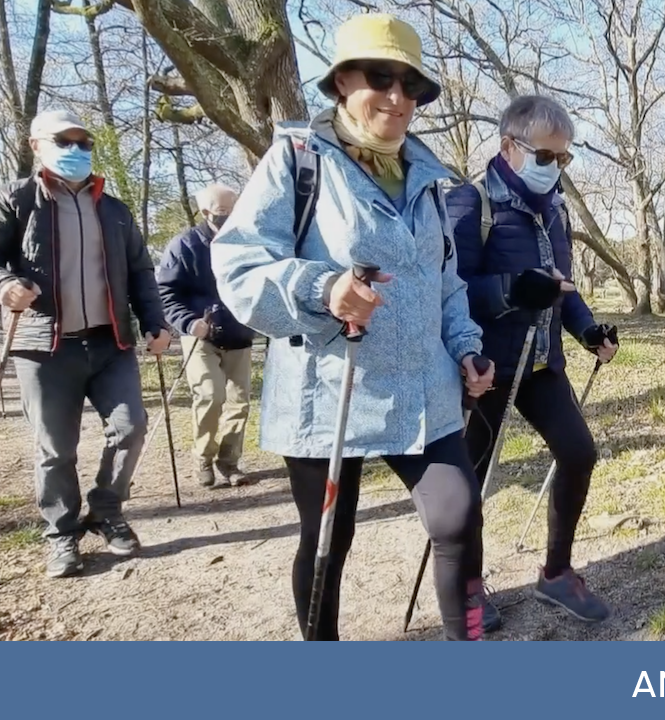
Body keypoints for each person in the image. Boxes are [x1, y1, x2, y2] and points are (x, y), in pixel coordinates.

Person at [211, 13, 495, 641]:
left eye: (411, 85)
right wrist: (322, 288)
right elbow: (239, 265)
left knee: (458, 516)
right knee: (327, 540)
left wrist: (467, 348)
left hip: (423, 388)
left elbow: (445, 282)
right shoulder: (298, 160)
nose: (398, 97)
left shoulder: (427, 178)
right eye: (380, 78)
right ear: (341, 81)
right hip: (330, 392)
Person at [0, 109, 171, 578]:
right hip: (44, 347)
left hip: (111, 342)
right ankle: (60, 533)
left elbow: (141, 271)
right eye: (64, 140)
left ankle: (106, 509)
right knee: (56, 449)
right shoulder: (14, 199)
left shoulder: (114, 210)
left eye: (84, 142)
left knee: (132, 428)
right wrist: (0, 284)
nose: (76, 150)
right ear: (36, 145)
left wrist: (155, 322)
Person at [447, 95, 619, 627]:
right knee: (469, 479)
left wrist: (587, 329)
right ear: (509, 147)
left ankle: (556, 574)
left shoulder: (555, 210)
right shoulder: (470, 203)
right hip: (483, 368)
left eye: (563, 157)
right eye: (545, 156)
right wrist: (512, 290)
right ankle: (467, 587)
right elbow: (449, 289)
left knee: (579, 453)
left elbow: (563, 288)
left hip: (542, 363)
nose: (555, 167)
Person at [157, 184, 255, 489]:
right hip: (201, 334)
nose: (230, 216)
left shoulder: (247, 241)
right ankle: (203, 457)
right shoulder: (184, 246)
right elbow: (166, 293)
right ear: (205, 212)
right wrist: (188, 322)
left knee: (239, 402)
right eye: (223, 211)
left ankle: (229, 461)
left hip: (239, 332)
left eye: (234, 209)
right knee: (211, 396)